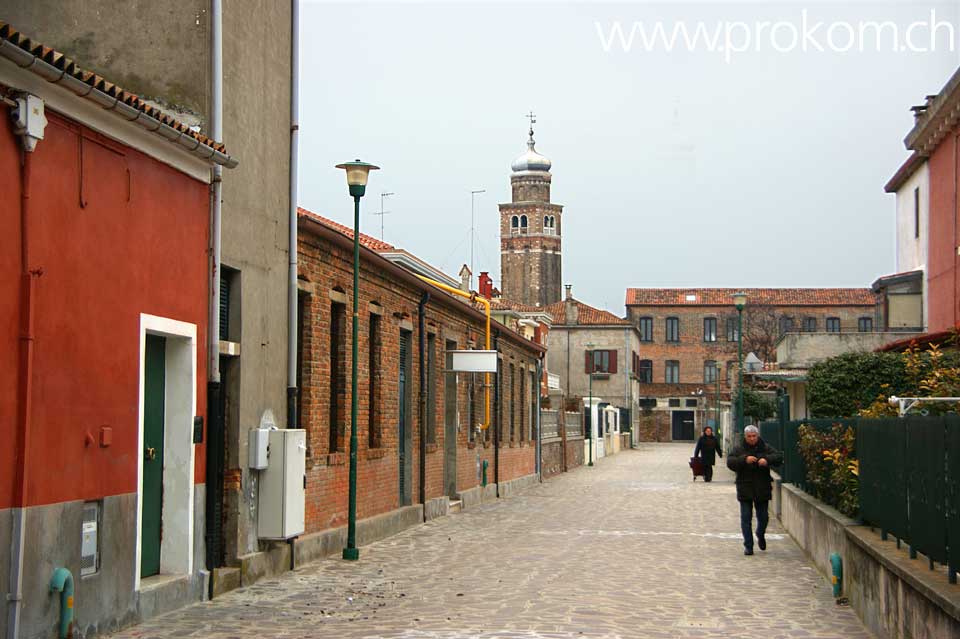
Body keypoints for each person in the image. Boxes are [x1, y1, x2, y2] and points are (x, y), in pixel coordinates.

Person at [726, 425, 783, 555]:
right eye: (749, 436)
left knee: (763, 517)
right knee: (746, 518)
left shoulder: (765, 447)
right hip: (745, 487)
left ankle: (760, 533)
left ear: (758, 436)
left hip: (762, 487)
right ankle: (748, 545)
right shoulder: (739, 449)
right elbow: (730, 462)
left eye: (754, 436)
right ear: (745, 437)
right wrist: (744, 460)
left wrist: (766, 460)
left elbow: (779, 457)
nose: (752, 439)